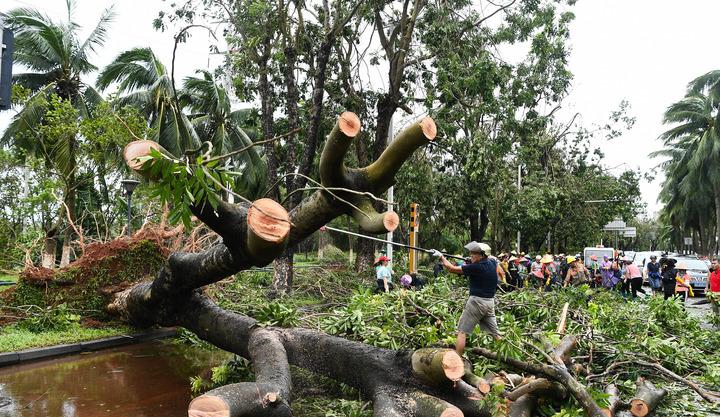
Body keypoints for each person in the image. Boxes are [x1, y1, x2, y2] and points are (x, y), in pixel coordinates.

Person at [434, 241, 501, 355]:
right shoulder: (493, 263)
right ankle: (507, 354)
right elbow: (494, 261)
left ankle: (457, 359)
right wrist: (471, 261)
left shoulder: (477, 267)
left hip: (476, 302)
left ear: (481, 255)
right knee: (495, 334)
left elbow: (451, 268)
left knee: (462, 332)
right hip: (490, 303)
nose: (471, 256)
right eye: (470, 254)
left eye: (474, 254)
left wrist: (441, 257)